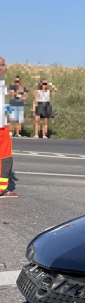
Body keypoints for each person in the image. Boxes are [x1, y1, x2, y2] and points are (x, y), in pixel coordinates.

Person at [0, 56, 15, 198]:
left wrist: (7, 109)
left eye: (3, 65)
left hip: (2, 124)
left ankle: (2, 189)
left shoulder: (1, 81)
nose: (2, 68)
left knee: (6, 156)